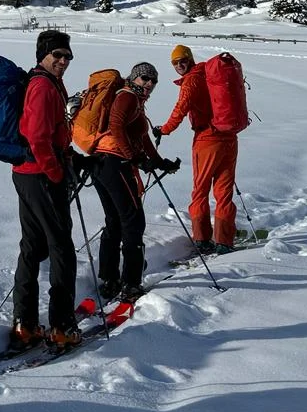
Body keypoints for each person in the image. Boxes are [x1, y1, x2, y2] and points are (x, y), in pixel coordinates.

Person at [9, 30, 81, 350]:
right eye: (57, 56)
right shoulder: (41, 86)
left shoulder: (46, 81)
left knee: (34, 245)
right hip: (40, 175)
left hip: (29, 173)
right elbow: (38, 137)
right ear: (43, 55)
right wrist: (55, 173)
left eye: (67, 57)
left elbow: (51, 132)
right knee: (61, 247)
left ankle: (25, 323)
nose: (63, 62)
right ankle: (61, 325)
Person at [87, 61, 180, 301]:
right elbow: (117, 127)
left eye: (153, 81)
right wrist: (135, 159)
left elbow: (142, 135)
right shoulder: (127, 98)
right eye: (144, 79)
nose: (149, 84)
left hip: (103, 163)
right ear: (134, 78)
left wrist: (158, 161)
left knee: (116, 221)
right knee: (133, 221)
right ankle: (130, 283)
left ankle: (110, 279)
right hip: (114, 163)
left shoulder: (135, 100)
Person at [160, 44, 236, 253]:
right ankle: (224, 240)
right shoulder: (209, 74)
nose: (179, 65)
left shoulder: (192, 80)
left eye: (182, 60)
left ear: (190, 59)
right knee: (224, 191)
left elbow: (180, 109)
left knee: (200, 190)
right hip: (228, 137)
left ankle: (202, 238)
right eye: (175, 63)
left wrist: (164, 130)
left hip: (207, 139)